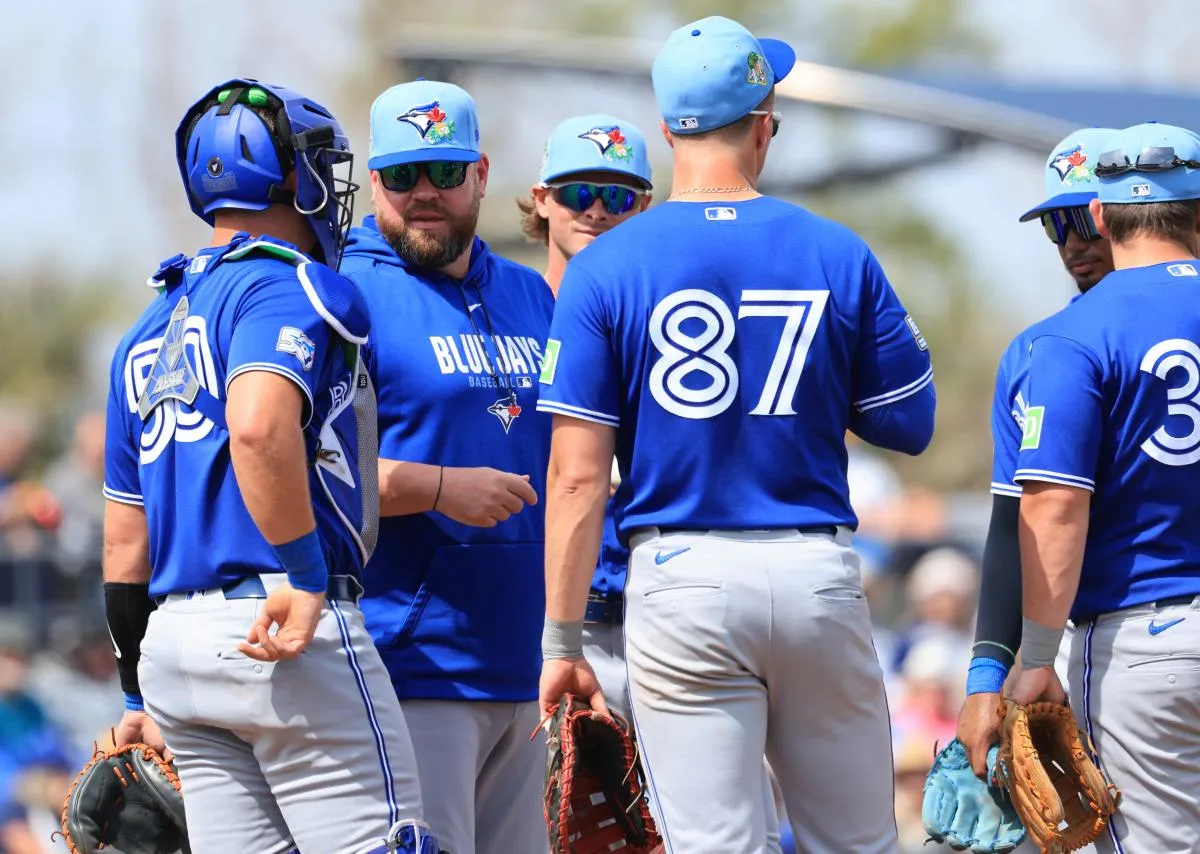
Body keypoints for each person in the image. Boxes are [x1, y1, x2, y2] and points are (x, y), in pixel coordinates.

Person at [535, 16, 936, 853]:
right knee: (859, 842)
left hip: (680, 573)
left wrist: (563, 640)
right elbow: (910, 421)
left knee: (716, 844)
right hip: (814, 568)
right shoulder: (835, 249)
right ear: (763, 125)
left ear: (667, 129)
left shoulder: (608, 264)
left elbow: (576, 480)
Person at [101, 78, 431, 854]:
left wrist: (134, 689)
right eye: (321, 162)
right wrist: (305, 574)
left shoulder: (147, 324)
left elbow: (124, 540)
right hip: (279, 624)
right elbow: (257, 426)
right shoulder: (285, 285)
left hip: (176, 648)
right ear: (292, 177)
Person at [340, 79, 554, 854]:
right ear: (374, 184)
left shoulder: (532, 296)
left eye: (444, 172)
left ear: (482, 174)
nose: (423, 193)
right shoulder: (344, 296)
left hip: (526, 666)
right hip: (409, 666)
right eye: (402, 176)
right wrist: (436, 487)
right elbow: (299, 475)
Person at [1008, 121, 1200, 852]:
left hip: (1145, 642)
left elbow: (1054, 504)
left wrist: (1032, 661)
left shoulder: (1076, 334)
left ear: (1099, 214)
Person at [955, 128, 1116, 777]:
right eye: (1057, 225)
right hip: (1096, 639)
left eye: (1085, 218)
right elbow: (1010, 523)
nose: (1074, 242)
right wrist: (986, 675)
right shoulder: (1035, 352)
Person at [519, 113, 652, 718]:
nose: (597, 210)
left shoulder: (666, 324)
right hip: (536, 623)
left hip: (650, 615)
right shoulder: (505, 311)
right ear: (542, 200)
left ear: (644, 207)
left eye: (617, 196)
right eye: (578, 192)